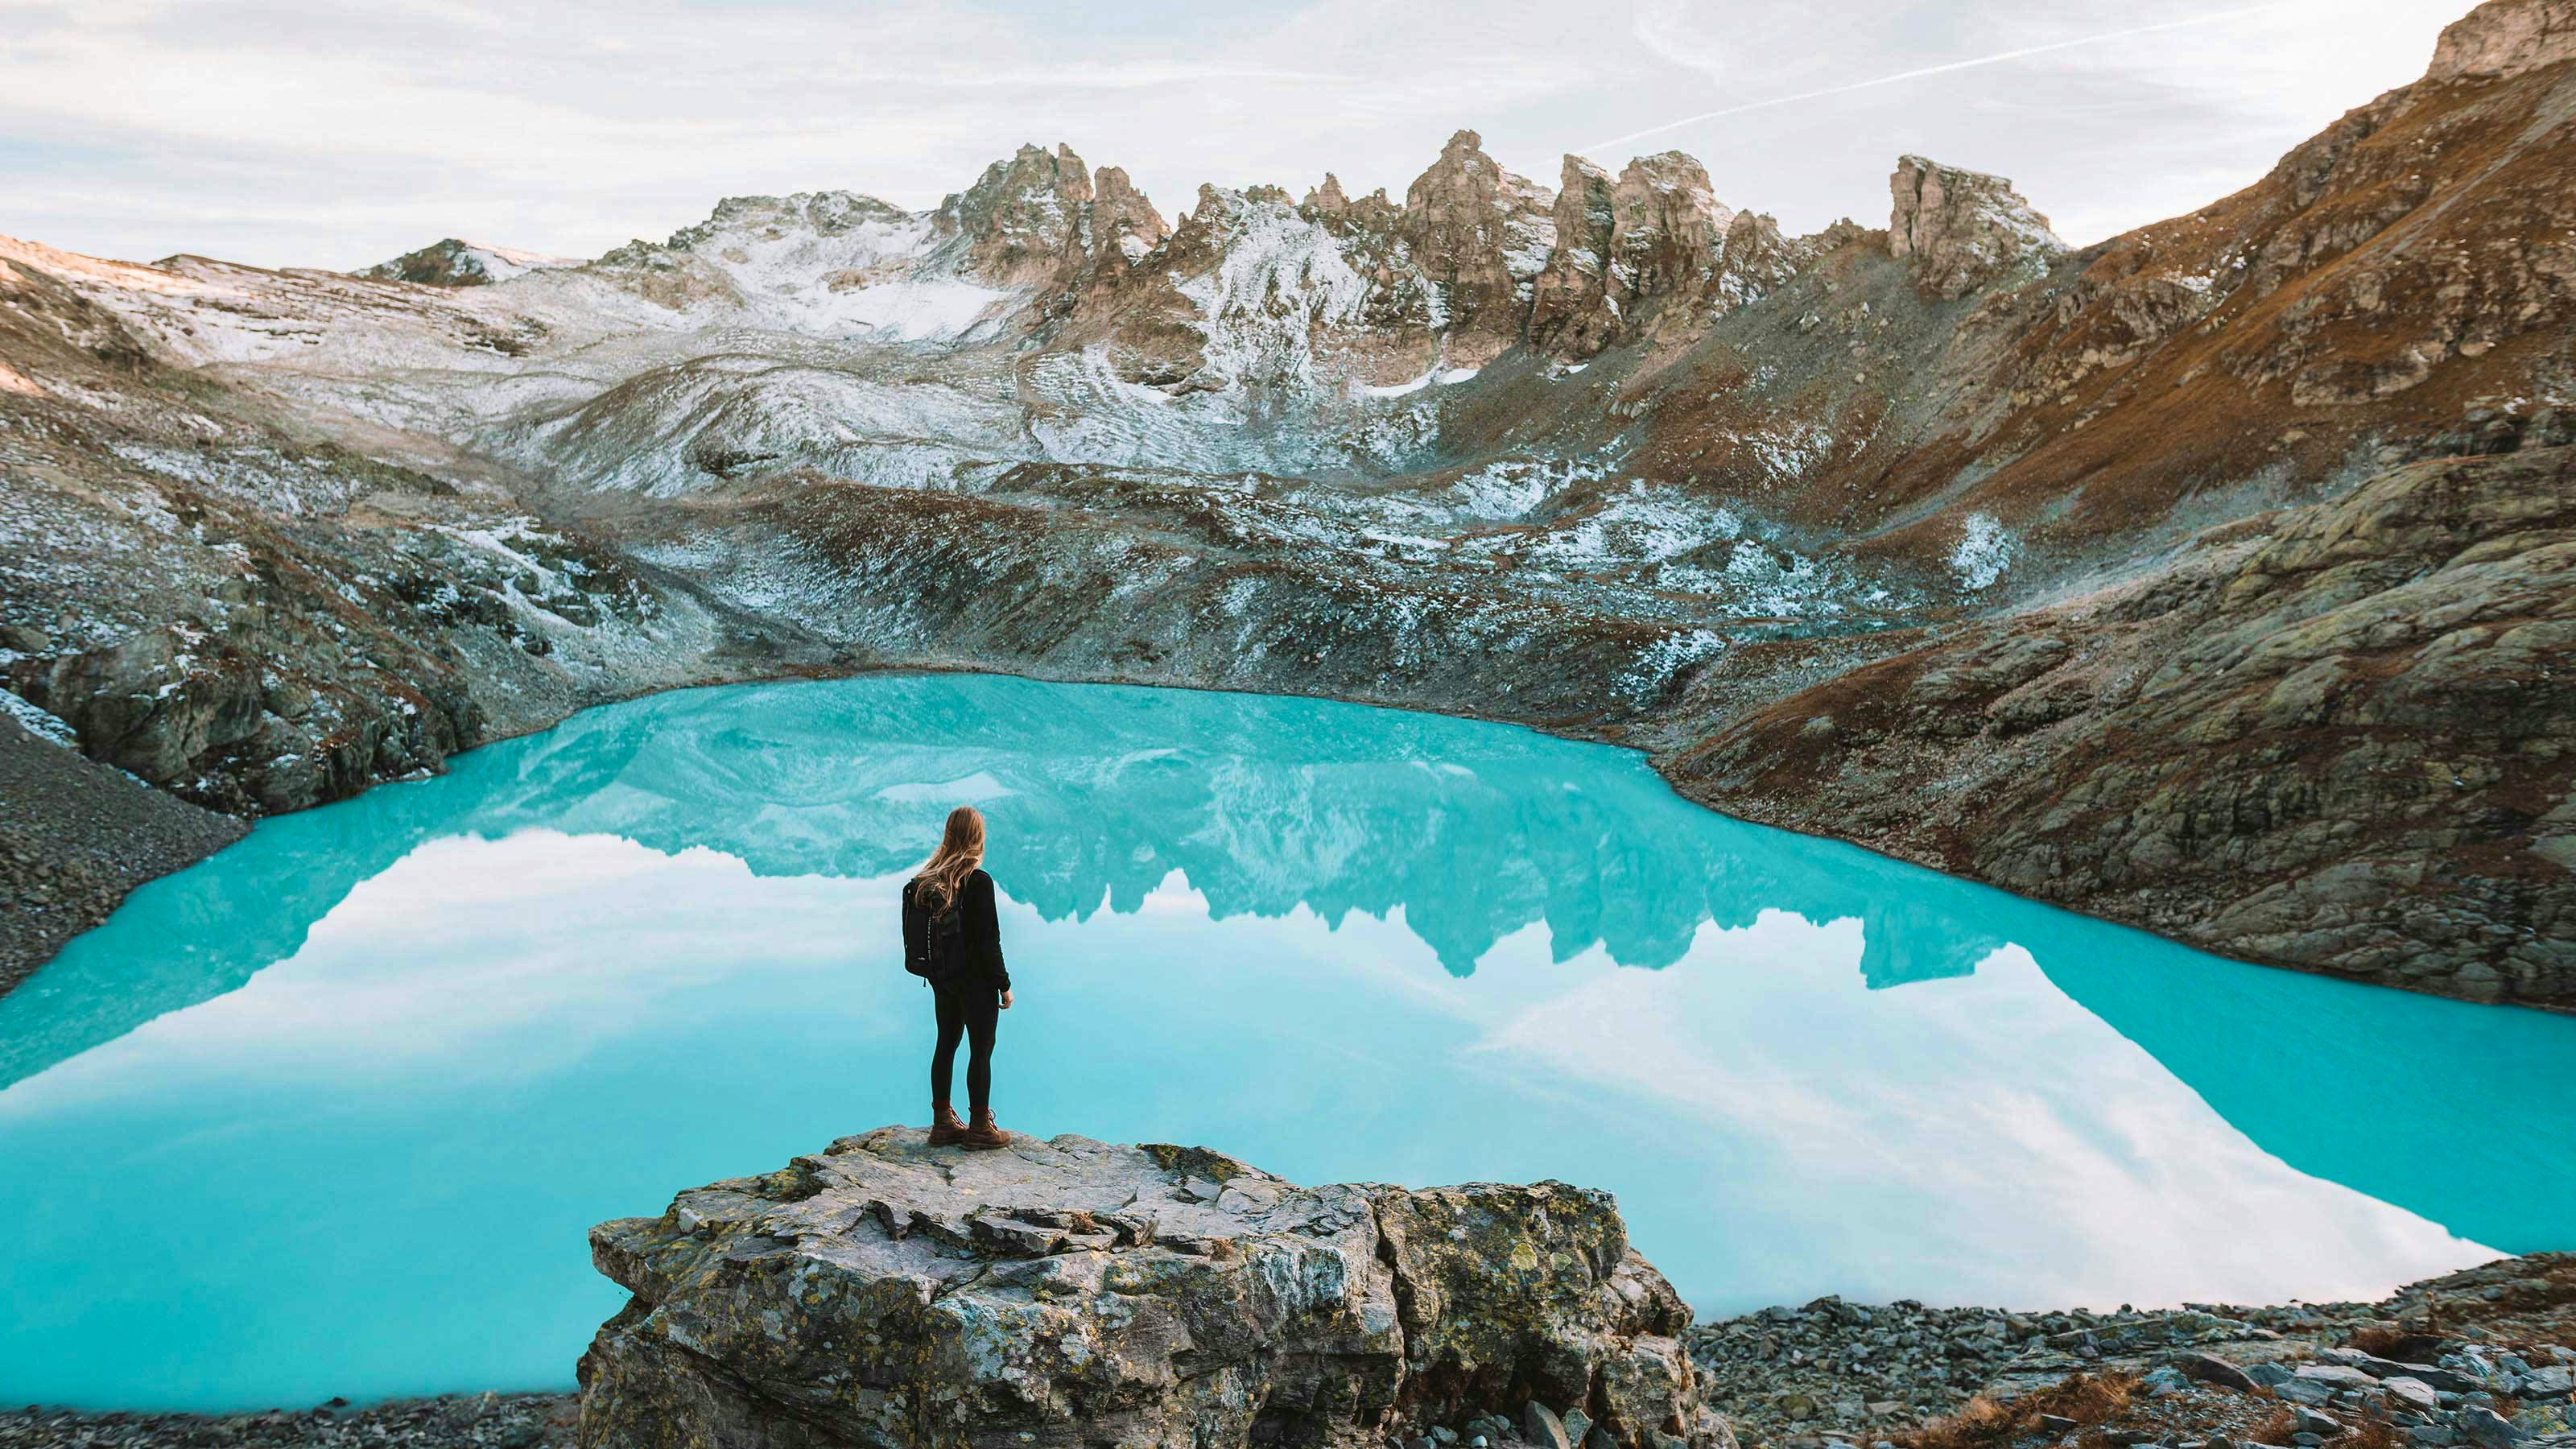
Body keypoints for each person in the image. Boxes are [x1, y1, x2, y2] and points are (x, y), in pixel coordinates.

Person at [902, 805, 1013, 1150]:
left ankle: (942, 1124)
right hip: (976, 982)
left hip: (942, 978)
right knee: (981, 1050)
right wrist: (1004, 984)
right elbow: (987, 941)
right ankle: (980, 1128)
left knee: (946, 1044)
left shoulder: (926, 881)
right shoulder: (977, 882)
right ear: (977, 837)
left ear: (949, 835)